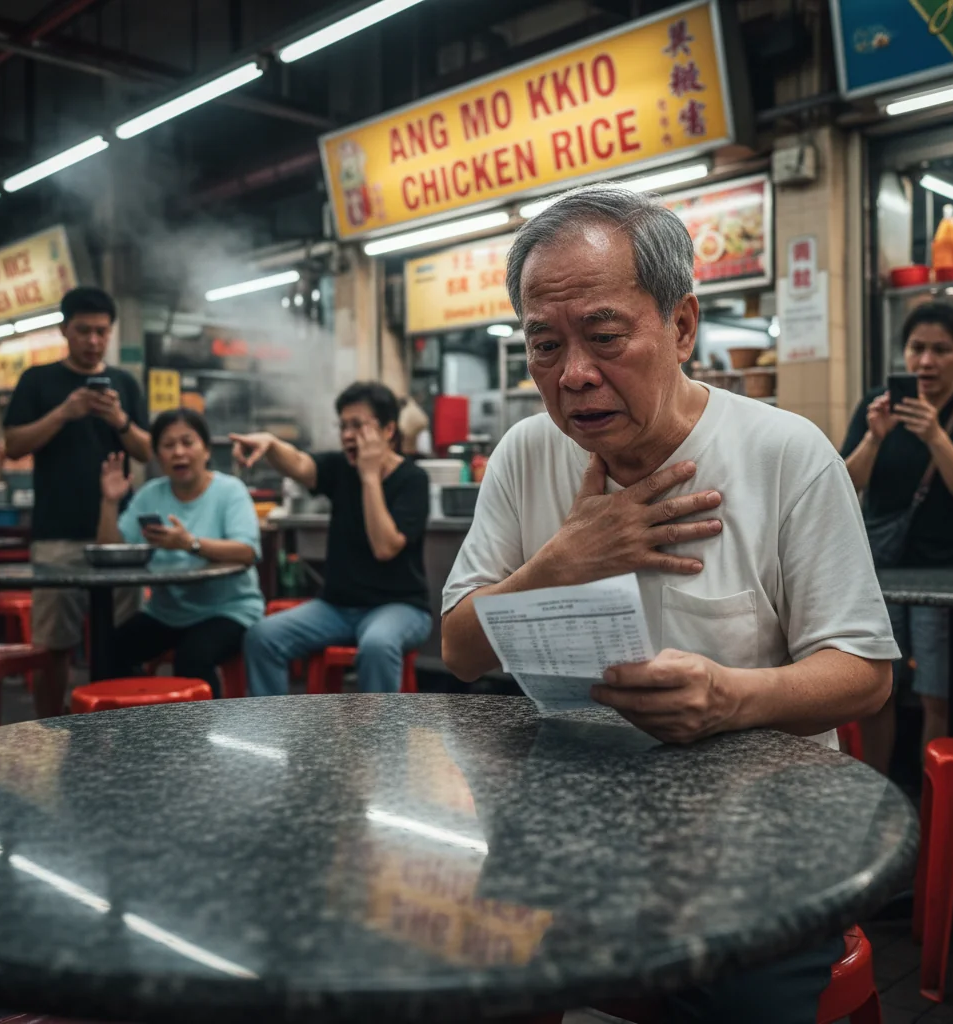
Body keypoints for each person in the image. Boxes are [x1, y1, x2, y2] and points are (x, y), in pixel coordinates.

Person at [441, 186, 898, 1024]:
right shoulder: (525, 454)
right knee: (473, 974)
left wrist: (731, 698)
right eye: (545, 345)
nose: (574, 374)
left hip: (764, 829)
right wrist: (563, 562)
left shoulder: (786, 456)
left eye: (605, 336)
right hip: (573, 814)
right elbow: (460, 651)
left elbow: (865, 674)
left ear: (682, 325)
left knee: (744, 1001)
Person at [842, 299, 953, 771]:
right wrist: (874, 436)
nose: (926, 361)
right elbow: (845, 483)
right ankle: (877, 793)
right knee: (876, 690)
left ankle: (930, 798)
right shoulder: (878, 403)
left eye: (942, 350)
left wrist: (935, 435)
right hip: (881, 572)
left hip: (947, 572)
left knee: (938, 694)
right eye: (917, 348)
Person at [3, 286, 151, 717]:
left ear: (111, 332)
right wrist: (64, 413)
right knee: (54, 646)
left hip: (119, 533)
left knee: (125, 638)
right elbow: (13, 445)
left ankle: (122, 729)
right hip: (57, 532)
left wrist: (119, 420)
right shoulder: (38, 380)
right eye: (83, 330)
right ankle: (49, 732)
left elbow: (146, 451)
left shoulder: (124, 383)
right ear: (64, 330)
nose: (93, 341)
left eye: (101, 332)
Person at [236, 381, 432, 695]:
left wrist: (369, 476)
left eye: (358, 425)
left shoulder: (413, 479)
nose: (347, 435)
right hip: (337, 609)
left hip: (400, 607)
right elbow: (300, 464)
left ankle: (382, 730)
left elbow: (385, 547)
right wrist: (270, 444)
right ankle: (271, 725)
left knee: (378, 645)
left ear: (388, 430)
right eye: (343, 426)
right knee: (262, 637)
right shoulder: (340, 467)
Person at [96, 408, 263, 695]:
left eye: (188, 442)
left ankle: (205, 726)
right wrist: (110, 502)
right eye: (168, 445)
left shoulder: (230, 491)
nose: (179, 452)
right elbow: (111, 550)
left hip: (229, 610)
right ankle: (134, 718)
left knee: (192, 658)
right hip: (167, 613)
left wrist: (189, 543)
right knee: (110, 650)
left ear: (206, 450)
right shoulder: (151, 494)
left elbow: (247, 551)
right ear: (158, 456)